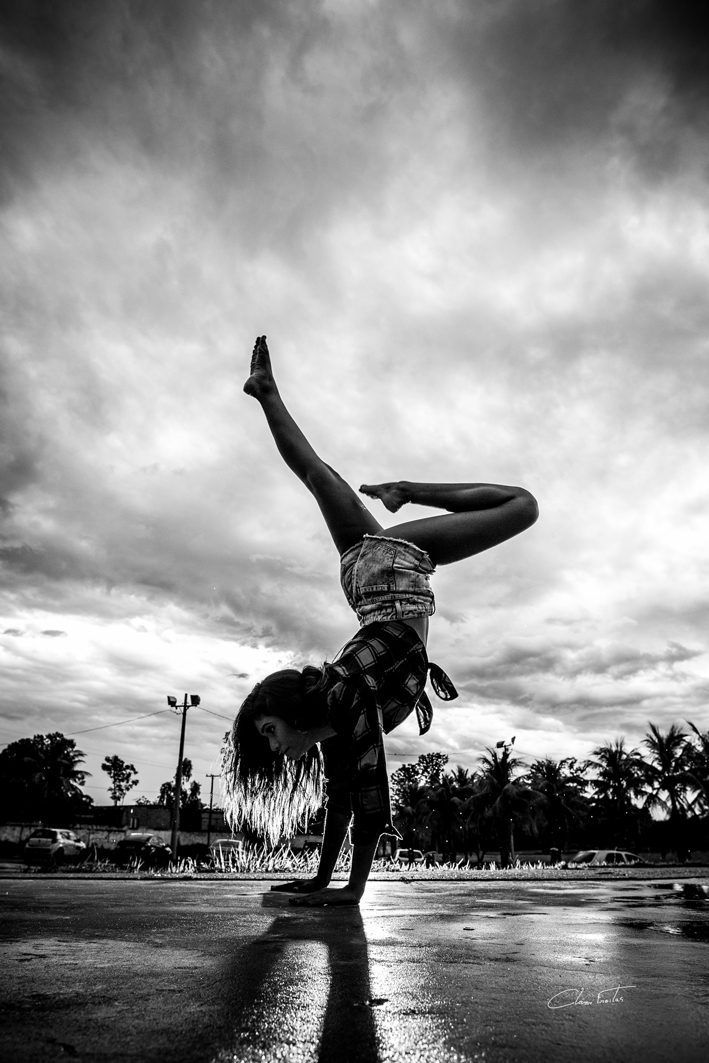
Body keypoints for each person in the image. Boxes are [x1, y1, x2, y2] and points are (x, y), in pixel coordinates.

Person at [221, 336, 538, 907]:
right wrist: (322, 881)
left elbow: (371, 791)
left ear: (293, 711)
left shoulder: (342, 696)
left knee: (523, 506)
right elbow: (342, 797)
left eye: (269, 731)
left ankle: (408, 490)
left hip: (391, 573)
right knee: (318, 475)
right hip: (365, 584)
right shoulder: (333, 719)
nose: (273, 746)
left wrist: (353, 892)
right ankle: (265, 392)